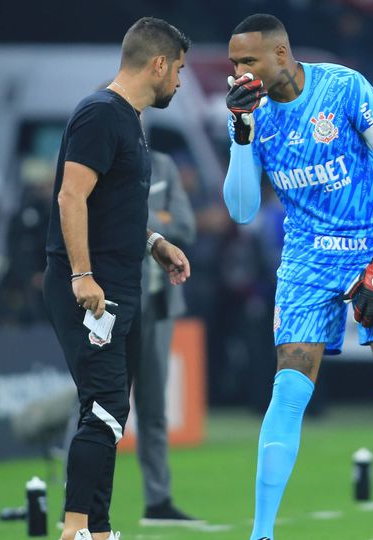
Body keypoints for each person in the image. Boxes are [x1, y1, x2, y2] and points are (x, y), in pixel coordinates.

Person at [223, 14, 373, 540]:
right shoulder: (253, 116)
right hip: (306, 261)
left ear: (279, 55)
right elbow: (243, 210)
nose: (238, 73)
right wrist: (242, 137)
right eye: (233, 64)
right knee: (289, 391)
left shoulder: (343, 88)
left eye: (247, 61)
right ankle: (262, 533)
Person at [42, 17, 191, 540]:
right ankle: (77, 529)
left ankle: (97, 530)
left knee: (111, 412)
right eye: (178, 69)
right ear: (157, 63)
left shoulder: (127, 119)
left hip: (122, 284)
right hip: (94, 289)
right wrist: (83, 275)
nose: (179, 80)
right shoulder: (101, 114)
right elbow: (70, 196)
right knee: (103, 407)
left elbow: (114, 204)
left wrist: (155, 243)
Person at [135, 150, 201, 526]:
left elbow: (187, 225)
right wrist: (159, 220)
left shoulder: (162, 165)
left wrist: (149, 224)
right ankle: (71, 495)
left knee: (154, 407)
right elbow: (112, 221)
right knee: (96, 403)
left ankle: (158, 501)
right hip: (117, 303)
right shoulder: (99, 163)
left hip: (160, 304)